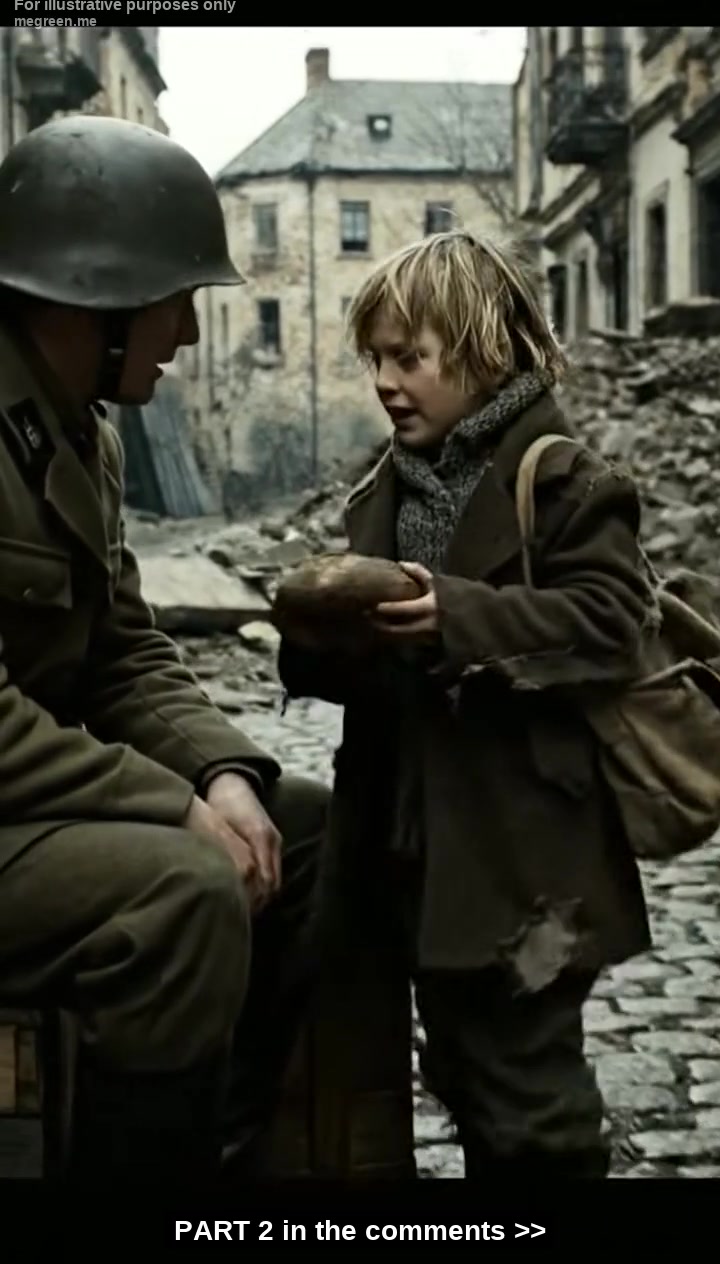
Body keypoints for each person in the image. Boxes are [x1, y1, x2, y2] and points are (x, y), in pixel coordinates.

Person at [278, 230, 655, 1179]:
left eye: (410, 357)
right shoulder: (388, 487)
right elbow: (376, 671)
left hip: (524, 858)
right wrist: (321, 639)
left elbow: (612, 625)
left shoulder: (562, 477)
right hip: (404, 845)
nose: (387, 382)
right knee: (456, 1063)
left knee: (531, 1100)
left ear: (485, 351)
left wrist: (458, 616)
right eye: (377, 359)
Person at [0, 115, 328, 1183]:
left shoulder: (73, 428)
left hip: (26, 806)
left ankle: (233, 1155)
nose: (187, 331)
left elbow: (122, 647)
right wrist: (170, 805)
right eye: (174, 299)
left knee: (309, 822)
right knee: (182, 889)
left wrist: (222, 772)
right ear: (91, 301)